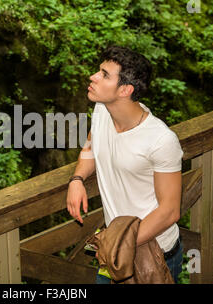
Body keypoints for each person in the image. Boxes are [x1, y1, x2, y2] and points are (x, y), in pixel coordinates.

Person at [66, 45, 184, 284]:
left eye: (104, 75)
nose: (93, 77)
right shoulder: (102, 110)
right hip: (114, 250)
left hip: (155, 254)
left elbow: (170, 210)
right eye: (99, 71)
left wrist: (116, 244)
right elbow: (91, 146)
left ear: (125, 90)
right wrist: (77, 179)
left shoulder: (160, 140)